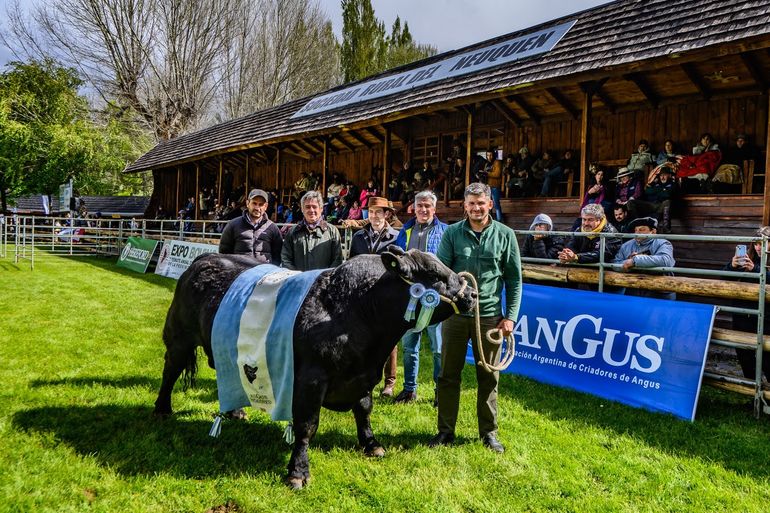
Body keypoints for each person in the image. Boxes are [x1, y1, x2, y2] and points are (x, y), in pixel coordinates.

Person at [431, 182, 522, 453]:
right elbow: (441, 274)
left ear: (490, 204)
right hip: (457, 314)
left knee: (489, 376)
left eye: (481, 203)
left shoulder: (505, 235)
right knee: (448, 375)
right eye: (471, 203)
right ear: (465, 206)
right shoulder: (452, 234)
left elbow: (514, 281)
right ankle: (445, 431)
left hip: (491, 317)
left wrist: (511, 318)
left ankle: (489, 433)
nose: (476, 208)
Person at [393, 190, 448, 405]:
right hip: (410, 299)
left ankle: (439, 391)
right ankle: (409, 390)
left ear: (434, 209)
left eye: (428, 206)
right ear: (413, 208)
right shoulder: (404, 231)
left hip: (437, 300)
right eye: (420, 206)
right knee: (409, 347)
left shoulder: (445, 231)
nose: (423, 210)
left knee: (438, 349)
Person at [348, 197, 401, 397]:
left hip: (387, 294)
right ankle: (365, 378)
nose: (374, 216)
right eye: (371, 212)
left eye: (379, 212)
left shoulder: (396, 236)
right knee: (364, 338)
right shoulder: (359, 237)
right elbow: (352, 263)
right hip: (363, 295)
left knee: (390, 340)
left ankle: (389, 382)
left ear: (387, 214)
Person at [723, 226, 770, 381]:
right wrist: (732, 266)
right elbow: (723, 278)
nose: (759, 247)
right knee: (745, 356)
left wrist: (755, 270)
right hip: (742, 315)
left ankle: (766, 396)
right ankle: (752, 392)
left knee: (767, 359)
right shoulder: (748, 257)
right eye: (756, 243)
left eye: (763, 243)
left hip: (767, 317)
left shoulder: (755, 263)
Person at [612, 217, 676, 299]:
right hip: (634, 292)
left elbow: (666, 260)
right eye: (636, 230)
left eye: (642, 230)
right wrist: (627, 264)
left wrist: (635, 260)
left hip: (660, 293)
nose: (637, 233)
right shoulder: (626, 245)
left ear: (653, 231)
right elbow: (615, 263)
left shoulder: (663, 243)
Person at [281, 190, 343, 271]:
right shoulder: (293, 232)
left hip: (324, 281)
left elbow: (337, 260)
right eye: (307, 207)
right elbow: (285, 258)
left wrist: (326, 278)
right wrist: (296, 276)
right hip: (299, 281)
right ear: (302, 209)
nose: (311, 210)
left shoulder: (332, 231)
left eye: (314, 207)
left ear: (321, 209)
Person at [219, 188, 283, 264]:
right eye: (254, 203)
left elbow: (278, 254)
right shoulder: (233, 225)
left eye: (261, 204)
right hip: (240, 273)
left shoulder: (272, 228)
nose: (257, 208)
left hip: (263, 273)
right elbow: (224, 253)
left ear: (266, 206)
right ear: (247, 203)